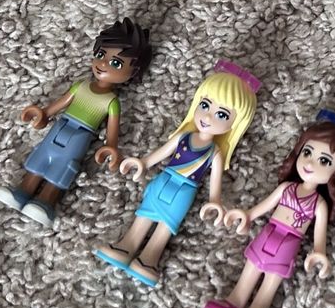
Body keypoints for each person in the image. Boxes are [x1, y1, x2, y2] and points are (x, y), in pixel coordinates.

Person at [94, 61, 260, 287]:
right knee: (144, 214)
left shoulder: (214, 153)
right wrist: (142, 163)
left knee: (166, 226)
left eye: (221, 115)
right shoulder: (183, 137)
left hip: (185, 191)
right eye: (205, 105)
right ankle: (126, 245)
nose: (207, 117)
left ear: (235, 124)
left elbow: (215, 184)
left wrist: (214, 201)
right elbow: (160, 154)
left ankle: (149, 258)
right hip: (164, 180)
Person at [202, 113, 335, 308]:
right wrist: (247, 215)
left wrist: (318, 252)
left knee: (272, 278)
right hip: (269, 232)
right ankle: (234, 300)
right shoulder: (286, 188)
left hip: (290, 243)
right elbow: (265, 206)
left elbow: (319, 235)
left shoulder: (319, 204)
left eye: (325, 161)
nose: (310, 163)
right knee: (251, 267)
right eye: (307, 152)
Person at [0, 18, 151, 228]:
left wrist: (110, 147)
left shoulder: (111, 102)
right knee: (41, 156)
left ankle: (46, 202)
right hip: (60, 126)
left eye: (116, 63)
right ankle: (23, 191)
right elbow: (59, 105)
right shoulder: (80, 86)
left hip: (81, 136)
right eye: (101, 55)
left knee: (64, 166)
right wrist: (42, 114)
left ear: (133, 72)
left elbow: (112, 132)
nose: (103, 64)